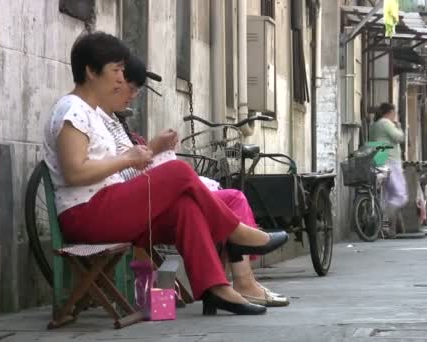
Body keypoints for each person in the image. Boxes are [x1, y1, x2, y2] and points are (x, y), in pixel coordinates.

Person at [43, 31, 289, 316]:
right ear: (90, 71)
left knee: (185, 207)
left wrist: (134, 156)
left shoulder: (95, 112)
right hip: (87, 214)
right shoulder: (71, 109)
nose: (122, 80)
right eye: (116, 71)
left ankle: (216, 289)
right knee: (178, 172)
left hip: (110, 208)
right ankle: (236, 231)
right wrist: (127, 159)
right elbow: (74, 173)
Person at [98, 54, 288, 307]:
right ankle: (238, 238)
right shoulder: (86, 117)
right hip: (128, 205)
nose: (131, 96)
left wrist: (153, 151)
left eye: (133, 89)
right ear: (98, 77)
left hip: (141, 197)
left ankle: (228, 284)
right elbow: (117, 172)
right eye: (126, 87)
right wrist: (153, 149)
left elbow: (128, 163)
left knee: (229, 197)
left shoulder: (114, 123)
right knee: (180, 175)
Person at [369, 103, 408, 237]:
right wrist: (398, 126)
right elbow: (399, 137)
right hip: (390, 159)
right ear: (390, 112)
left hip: (379, 158)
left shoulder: (374, 125)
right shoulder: (386, 123)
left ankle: (389, 228)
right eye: (394, 113)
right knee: (400, 195)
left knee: (387, 195)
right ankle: (386, 222)